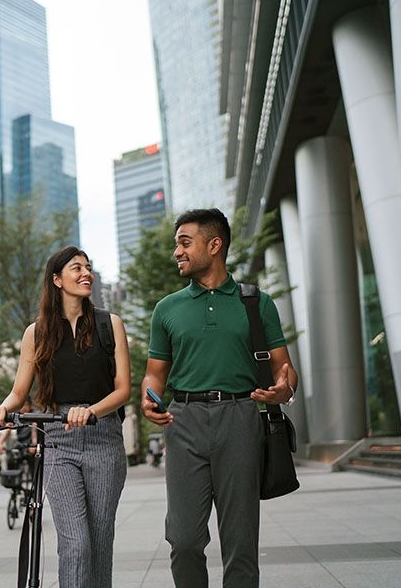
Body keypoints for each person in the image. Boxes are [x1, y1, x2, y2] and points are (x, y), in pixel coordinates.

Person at [140, 208, 298, 588]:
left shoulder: (256, 302)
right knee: (184, 539)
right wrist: (150, 400)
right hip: (183, 421)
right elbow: (155, 374)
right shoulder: (167, 309)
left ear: (215, 245)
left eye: (184, 242)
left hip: (240, 418)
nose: (176, 251)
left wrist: (283, 387)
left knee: (241, 541)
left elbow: (285, 370)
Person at [0, 245, 131, 588]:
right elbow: (19, 393)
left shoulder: (110, 325)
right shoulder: (36, 333)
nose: (86, 274)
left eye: (88, 267)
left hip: (103, 435)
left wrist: (91, 411)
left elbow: (123, 389)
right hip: (58, 440)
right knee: (75, 543)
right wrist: (2, 408)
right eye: (76, 268)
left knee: (99, 541)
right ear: (57, 280)